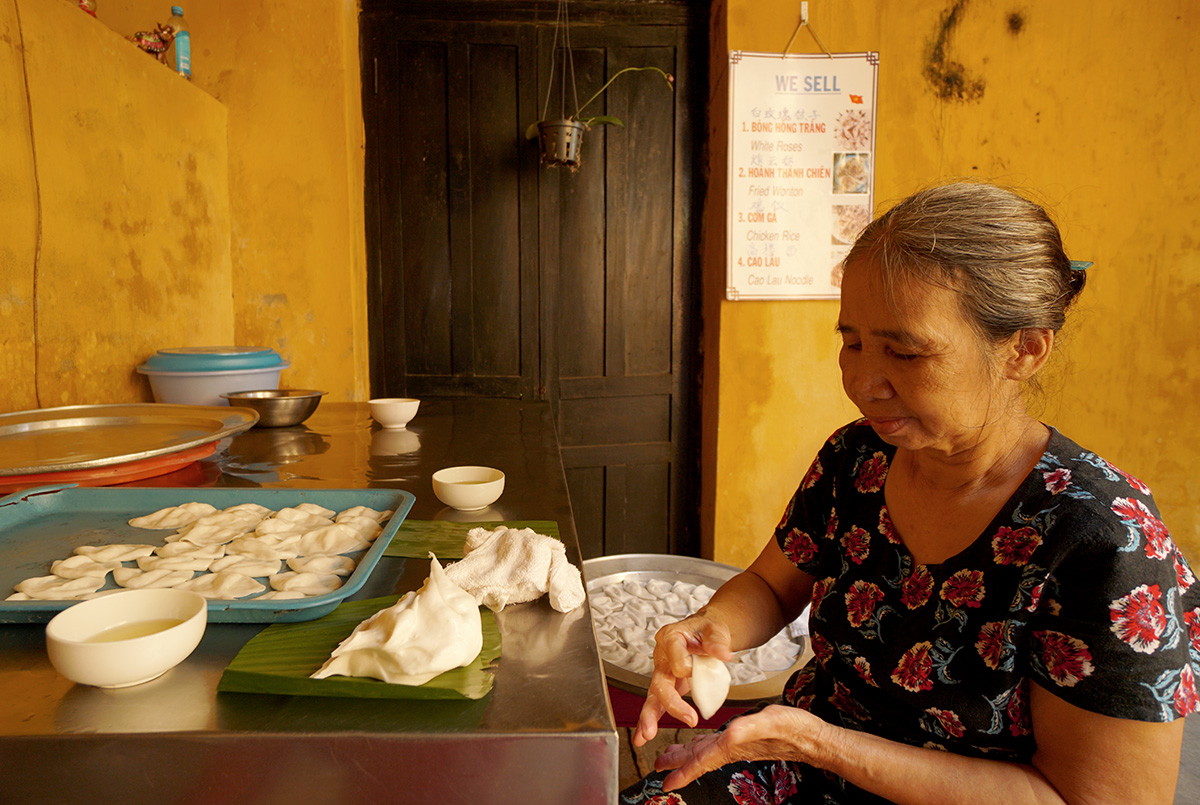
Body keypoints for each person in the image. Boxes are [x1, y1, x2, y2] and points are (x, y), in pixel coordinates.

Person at [621, 181, 1199, 804]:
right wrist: (712, 626)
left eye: (905, 351)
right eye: (851, 342)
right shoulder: (857, 457)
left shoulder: (1106, 543)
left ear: (1024, 350)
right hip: (805, 771)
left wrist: (820, 744)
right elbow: (770, 585)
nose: (863, 381)